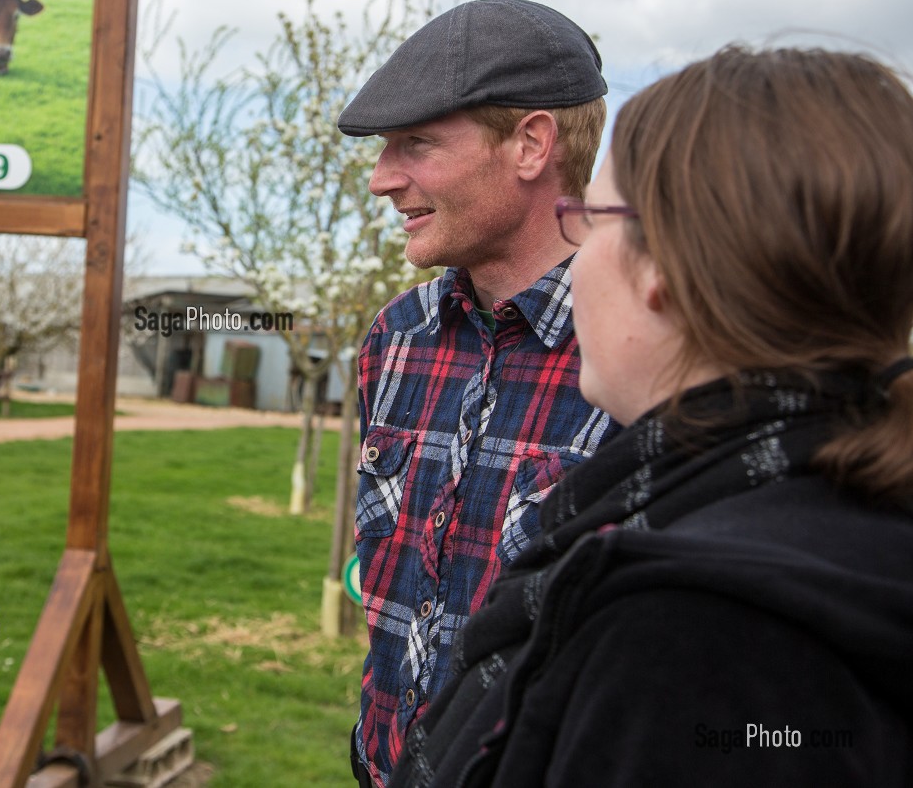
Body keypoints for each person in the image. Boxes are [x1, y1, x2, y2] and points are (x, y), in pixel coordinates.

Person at [389, 46, 913, 788]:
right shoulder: (840, 510)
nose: (577, 256)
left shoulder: (687, 634)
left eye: (590, 220)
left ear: (663, 265)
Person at [337, 0, 618, 787]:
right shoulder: (394, 340)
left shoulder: (648, 349)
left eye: (416, 144)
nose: (381, 178)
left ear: (532, 143)